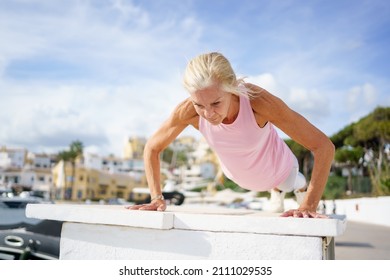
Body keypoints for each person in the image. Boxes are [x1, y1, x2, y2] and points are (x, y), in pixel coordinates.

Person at [127, 52, 335, 218]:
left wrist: (310, 204)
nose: (208, 114)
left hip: (280, 169)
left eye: (216, 103)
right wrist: (156, 198)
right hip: (238, 176)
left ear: (232, 88)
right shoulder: (188, 111)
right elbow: (152, 148)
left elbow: (324, 146)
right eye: (199, 104)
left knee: (289, 183)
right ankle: (276, 192)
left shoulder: (258, 103)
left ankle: (295, 187)